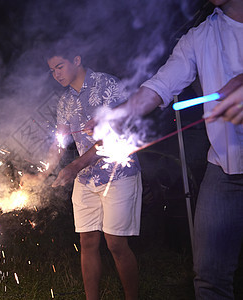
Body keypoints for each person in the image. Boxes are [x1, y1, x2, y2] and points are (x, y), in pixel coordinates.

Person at [85, 1, 242, 298]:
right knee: (209, 279)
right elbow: (159, 87)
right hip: (222, 170)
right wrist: (118, 115)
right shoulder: (199, 37)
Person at [23, 43, 142, 300]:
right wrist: (42, 175)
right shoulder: (65, 101)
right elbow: (59, 142)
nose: (56, 74)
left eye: (60, 66)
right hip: (86, 179)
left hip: (118, 174)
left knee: (116, 244)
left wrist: (74, 165)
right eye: (52, 70)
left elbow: (112, 136)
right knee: (87, 242)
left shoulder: (107, 85)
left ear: (76, 60)